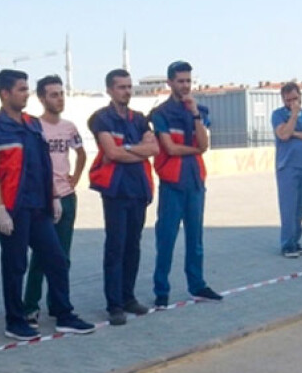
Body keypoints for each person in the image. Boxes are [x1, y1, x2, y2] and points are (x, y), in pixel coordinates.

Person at [0, 69, 95, 339]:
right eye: (21, 89)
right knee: (16, 264)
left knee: (56, 259)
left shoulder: (32, 125)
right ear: (5, 93)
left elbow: (43, 164)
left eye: (26, 88)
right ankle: (15, 320)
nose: (26, 94)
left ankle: (64, 314)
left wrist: (53, 196)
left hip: (39, 205)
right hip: (12, 207)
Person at [150, 61, 223, 306]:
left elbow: (205, 143)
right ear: (169, 82)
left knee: (196, 238)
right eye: (180, 81)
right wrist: (195, 149)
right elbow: (169, 148)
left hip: (195, 182)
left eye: (188, 81)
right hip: (172, 183)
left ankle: (197, 285)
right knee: (166, 238)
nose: (185, 85)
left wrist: (194, 115)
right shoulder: (160, 114)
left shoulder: (200, 110)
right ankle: (161, 290)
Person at [88, 70, 156, 326]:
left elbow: (154, 148)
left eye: (129, 87)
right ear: (109, 90)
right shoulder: (100, 119)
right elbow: (110, 153)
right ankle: (114, 304)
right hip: (115, 191)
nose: (126, 91)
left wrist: (126, 149)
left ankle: (129, 297)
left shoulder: (139, 119)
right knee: (115, 247)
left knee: (133, 246)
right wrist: (137, 150)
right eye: (121, 87)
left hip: (138, 189)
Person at [26, 75, 89, 324]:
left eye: (61, 93)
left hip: (66, 197)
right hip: (42, 201)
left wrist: (75, 178)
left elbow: (81, 153)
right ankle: (30, 306)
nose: (59, 98)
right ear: (41, 98)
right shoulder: (34, 127)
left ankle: (59, 305)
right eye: (53, 94)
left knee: (63, 256)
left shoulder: (70, 127)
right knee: (41, 256)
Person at [272, 82, 302, 258]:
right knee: (289, 207)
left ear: (300, 96)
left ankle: (296, 240)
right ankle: (287, 244)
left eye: (295, 98)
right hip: (287, 167)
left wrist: (297, 133)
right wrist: (293, 117)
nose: (292, 102)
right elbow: (284, 134)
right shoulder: (278, 115)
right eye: (288, 99)